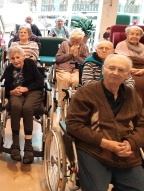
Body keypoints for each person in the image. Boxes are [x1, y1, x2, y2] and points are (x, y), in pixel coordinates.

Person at [66, 54, 144, 191]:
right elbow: (74, 125)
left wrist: (131, 143)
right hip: (94, 150)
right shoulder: (86, 93)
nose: (115, 72)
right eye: (111, 68)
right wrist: (106, 143)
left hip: (126, 153)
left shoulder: (132, 95)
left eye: (121, 70)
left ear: (127, 75)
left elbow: (142, 124)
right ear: (103, 70)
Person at [3, 47, 44, 164]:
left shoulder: (30, 64)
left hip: (33, 91)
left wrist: (27, 88)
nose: (16, 60)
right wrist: (11, 92)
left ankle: (28, 145)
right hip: (16, 92)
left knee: (27, 108)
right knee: (16, 106)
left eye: (18, 57)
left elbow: (40, 82)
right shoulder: (9, 69)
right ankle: (15, 144)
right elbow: (5, 87)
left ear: (23, 57)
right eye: (12, 58)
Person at [55, 28, 89, 103]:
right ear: (70, 38)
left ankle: (74, 102)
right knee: (65, 79)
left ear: (81, 40)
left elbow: (85, 62)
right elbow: (58, 59)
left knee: (76, 81)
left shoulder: (84, 47)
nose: (74, 43)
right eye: (72, 41)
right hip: (63, 68)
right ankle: (62, 102)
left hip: (77, 69)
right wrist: (70, 54)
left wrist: (76, 56)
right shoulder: (64, 44)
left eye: (77, 42)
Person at [115, 25, 144, 103]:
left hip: (142, 70)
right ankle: (136, 106)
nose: (134, 36)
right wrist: (129, 69)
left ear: (140, 36)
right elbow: (117, 61)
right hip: (127, 70)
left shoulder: (143, 46)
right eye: (132, 34)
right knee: (137, 84)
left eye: (137, 34)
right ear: (127, 35)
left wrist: (143, 70)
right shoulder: (121, 45)